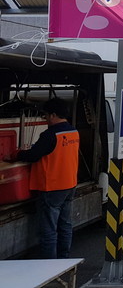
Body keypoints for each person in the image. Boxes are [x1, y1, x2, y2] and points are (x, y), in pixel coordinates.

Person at [3, 98, 80, 259]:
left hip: (52, 187)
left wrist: (16, 155)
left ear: (53, 115)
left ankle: (49, 265)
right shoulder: (73, 131)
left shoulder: (50, 134)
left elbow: (33, 155)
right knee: (65, 225)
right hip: (69, 184)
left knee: (49, 230)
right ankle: (63, 259)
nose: (45, 119)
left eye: (46, 115)